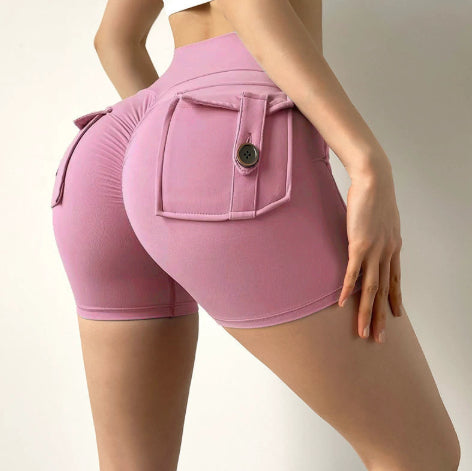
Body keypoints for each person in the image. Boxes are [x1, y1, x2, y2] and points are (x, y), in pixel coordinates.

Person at [50, 0, 461, 469]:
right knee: (422, 455)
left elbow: (114, 39)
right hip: (231, 119)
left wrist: (168, 146)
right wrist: (367, 164)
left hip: (112, 143)